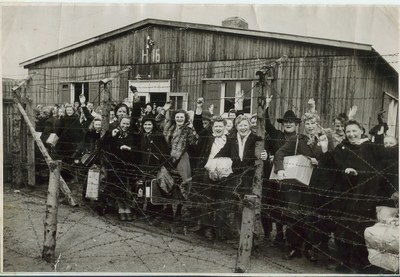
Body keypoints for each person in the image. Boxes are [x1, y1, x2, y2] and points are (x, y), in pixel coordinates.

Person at [329, 120, 397, 273]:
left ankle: (361, 264)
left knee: (362, 230)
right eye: (348, 132)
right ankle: (345, 263)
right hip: (346, 195)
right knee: (343, 229)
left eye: (354, 131)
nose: (351, 134)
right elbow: (336, 162)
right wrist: (345, 169)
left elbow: (388, 155)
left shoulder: (369, 147)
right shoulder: (343, 148)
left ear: (361, 130)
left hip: (365, 196)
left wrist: (380, 136)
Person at [273, 111, 332, 262]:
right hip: (298, 185)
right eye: (308, 123)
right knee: (293, 216)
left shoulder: (325, 140)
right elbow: (279, 153)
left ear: (318, 124)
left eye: (313, 123)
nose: (310, 126)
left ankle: (309, 248)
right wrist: (280, 170)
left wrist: (320, 161)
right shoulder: (297, 139)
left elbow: (333, 162)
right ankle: (294, 247)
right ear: (303, 125)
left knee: (311, 217)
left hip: (317, 186)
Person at [215, 115, 268, 238]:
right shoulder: (231, 139)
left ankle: (252, 235)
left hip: (252, 177)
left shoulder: (256, 139)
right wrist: (216, 164)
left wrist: (266, 155)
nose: (243, 127)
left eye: (245, 125)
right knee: (230, 202)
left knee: (249, 206)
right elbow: (221, 154)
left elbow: (264, 153)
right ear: (236, 126)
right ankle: (229, 232)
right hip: (235, 176)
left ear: (249, 125)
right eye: (240, 125)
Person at [261, 95, 302, 247]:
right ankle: (278, 235)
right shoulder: (277, 134)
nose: (288, 124)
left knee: (289, 206)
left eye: (291, 122)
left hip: (292, 177)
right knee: (276, 204)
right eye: (286, 122)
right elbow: (266, 123)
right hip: (275, 174)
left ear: (296, 125)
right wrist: (266, 106)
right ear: (283, 124)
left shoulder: (300, 138)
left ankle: (290, 237)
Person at [102, 115, 141, 221]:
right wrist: (111, 136)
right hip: (115, 164)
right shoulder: (113, 132)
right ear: (119, 123)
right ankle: (120, 208)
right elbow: (104, 146)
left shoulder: (133, 134)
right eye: (123, 123)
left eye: (127, 123)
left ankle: (127, 207)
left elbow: (138, 147)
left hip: (129, 164)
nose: (125, 125)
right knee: (118, 187)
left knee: (128, 188)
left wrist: (129, 148)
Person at [54, 104, 84, 182]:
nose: (69, 112)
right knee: (64, 159)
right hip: (64, 143)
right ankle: (64, 177)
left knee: (72, 160)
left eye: (70, 110)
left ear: (73, 111)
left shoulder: (76, 119)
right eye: (67, 110)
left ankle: (72, 177)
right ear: (65, 111)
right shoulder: (63, 119)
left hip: (73, 143)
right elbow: (59, 131)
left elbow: (80, 132)